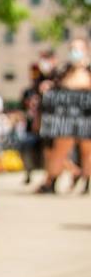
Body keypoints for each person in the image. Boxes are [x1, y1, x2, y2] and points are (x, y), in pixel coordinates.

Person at [38, 37, 91, 193]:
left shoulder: (88, 70)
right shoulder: (62, 71)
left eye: (78, 49)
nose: (75, 52)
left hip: (86, 117)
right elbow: (52, 84)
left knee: (87, 150)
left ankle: (86, 181)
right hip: (64, 118)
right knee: (60, 149)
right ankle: (52, 180)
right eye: (72, 49)